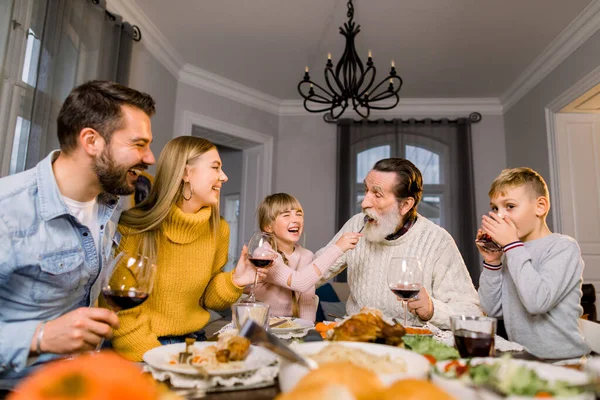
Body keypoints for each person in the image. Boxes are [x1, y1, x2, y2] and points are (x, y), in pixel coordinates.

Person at [0, 80, 156, 389]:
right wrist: (40, 337)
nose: (150, 158)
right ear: (91, 140)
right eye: (139, 144)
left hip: (79, 382)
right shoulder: (8, 209)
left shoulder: (107, 208)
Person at [105, 136, 265, 361]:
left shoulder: (219, 229)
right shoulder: (134, 226)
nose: (224, 177)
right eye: (215, 167)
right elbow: (119, 310)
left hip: (195, 343)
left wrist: (235, 280)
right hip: (142, 351)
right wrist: (160, 358)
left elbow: (209, 300)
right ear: (186, 173)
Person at [317, 158, 481, 329]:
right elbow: (310, 277)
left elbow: (473, 314)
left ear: (405, 205)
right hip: (358, 338)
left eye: (377, 194)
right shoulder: (356, 225)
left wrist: (433, 310)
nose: (364, 203)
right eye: (366, 190)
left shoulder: (437, 241)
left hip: (412, 345)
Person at [477, 167, 589, 358]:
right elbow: (492, 309)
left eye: (510, 206)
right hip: (523, 357)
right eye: (495, 208)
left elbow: (537, 302)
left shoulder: (563, 247)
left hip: (562, 362)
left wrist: (511, 246)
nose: (500, 215)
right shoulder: (511, 252)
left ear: (540, 206)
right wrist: (493, 262)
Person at [252, 193, 361, 321]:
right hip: (261, 327)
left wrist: (308, 333)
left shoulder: (306, 255)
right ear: (268, 227)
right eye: (286, 215)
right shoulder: (264, 255)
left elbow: (307, 301)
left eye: (299, 214)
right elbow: (299, 282)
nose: (295, 219)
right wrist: (338, 248)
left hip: (289, 328)